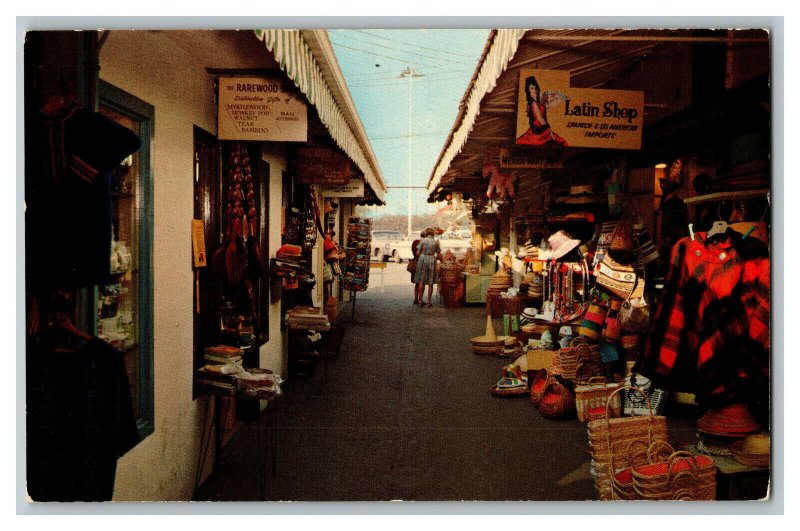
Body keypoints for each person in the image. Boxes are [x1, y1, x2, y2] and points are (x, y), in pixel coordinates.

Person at [515, 74, 568, 146]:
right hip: (538, 129)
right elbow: (540, 118)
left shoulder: (538, 102)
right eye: (531, 88)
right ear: (528, 90)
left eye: (535, 87)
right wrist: (548, 128)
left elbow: (543, 116)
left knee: (559, 141)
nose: (534, 90)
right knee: (559, 142)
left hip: (542, 127)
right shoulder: (533, 103)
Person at [414, 228, 442, 307]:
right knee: (430, 282)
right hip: (432, 260)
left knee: (421, 281)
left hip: (423, 259)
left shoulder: (422, 240)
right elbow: (439, 254)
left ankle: (420, 301)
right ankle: (429, 302)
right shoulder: (436, 242)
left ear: (426, 233)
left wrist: (423, 254)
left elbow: (417, 253)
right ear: (433, 234)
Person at [410, 230, 425, 303]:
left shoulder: (415, 242)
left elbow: (413, 251)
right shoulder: (424, 243)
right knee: (422, 282)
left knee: (417, 282)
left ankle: (416, 298)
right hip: (422, 262)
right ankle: (420, 299)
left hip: (415, 261)